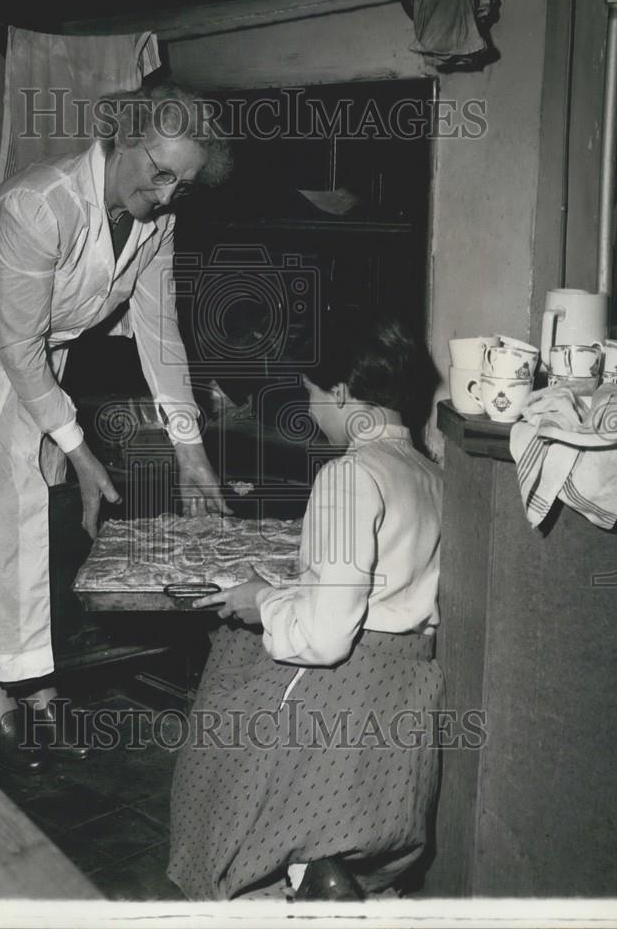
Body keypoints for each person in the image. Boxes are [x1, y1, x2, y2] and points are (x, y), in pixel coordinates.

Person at [0, 82, 232, 773]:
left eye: (186, 182)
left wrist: (190, 451)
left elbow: (159, 334)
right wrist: (81, 452)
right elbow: (15, 344)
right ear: (122, 141)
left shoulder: (157, 223)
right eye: (160, 172)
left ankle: (37, 687)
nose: (170, 194)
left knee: (20, 526)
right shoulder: (38, 202)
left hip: (21, 358)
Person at [168, 313, 444, 900]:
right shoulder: (429, 474)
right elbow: (377, 591)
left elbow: (325, 638)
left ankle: (292, 871)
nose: (312, 409)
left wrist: (263, 603)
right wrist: (276, 592)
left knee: (225, 691)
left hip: (342, 687)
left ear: (341, 392)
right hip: (406, 690)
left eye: (311, 394)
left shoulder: (350, 475)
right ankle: (320, 871)